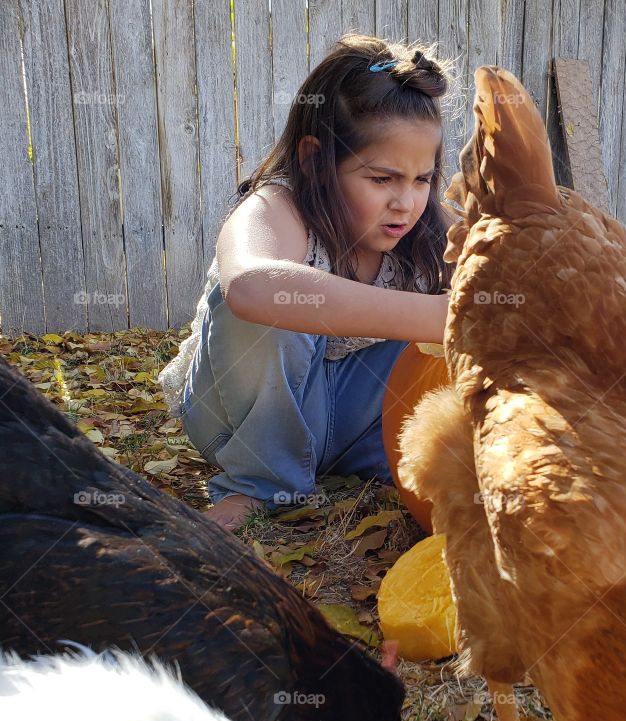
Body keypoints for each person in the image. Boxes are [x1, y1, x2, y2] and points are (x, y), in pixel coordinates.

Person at [159, 35, 454, 531]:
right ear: (316, 160)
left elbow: (510, 268)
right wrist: (438, 316)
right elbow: (249, 286)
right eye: (381, 179)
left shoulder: (430, 229)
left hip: (358, 427)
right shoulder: (277, 207)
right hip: (240, 420)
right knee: (273, 304)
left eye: (421, 179)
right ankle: (259, 484)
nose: (405, 202)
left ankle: (396, 464)